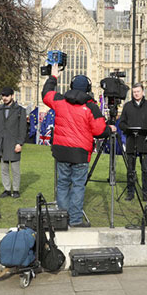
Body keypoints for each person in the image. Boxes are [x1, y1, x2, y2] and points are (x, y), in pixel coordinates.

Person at [42, 64, 115, 227]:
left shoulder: (60, 101)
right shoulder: (91, 107)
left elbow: (46, 94)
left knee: (62, 184)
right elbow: (99, 131)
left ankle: (61, 218)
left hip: (62, 151)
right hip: (80, 153)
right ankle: (74, 220)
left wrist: (53, 77)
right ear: (88, 89)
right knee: (77, 186)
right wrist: (109, 128)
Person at [119, 83, 147, 201]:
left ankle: (145, 193)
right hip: (131, 140)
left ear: (143, 92)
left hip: (144, 141)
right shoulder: (127, 106)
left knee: (145, 169)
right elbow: (122, 123)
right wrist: (127, 128)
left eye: (138, 91)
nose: (136, 94)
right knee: (130, 169)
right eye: (134, 92)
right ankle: (130, 192)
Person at [0, 87, 26, 198]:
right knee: (4, 169)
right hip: (1, 143)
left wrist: (19, 143)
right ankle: (7, 189)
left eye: (6, 96)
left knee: (15, 169)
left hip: (14, 143)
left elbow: (22, 128)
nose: (4, 98)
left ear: (12, 96)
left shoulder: (20, 110)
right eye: (3, 96)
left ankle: (16, 190)